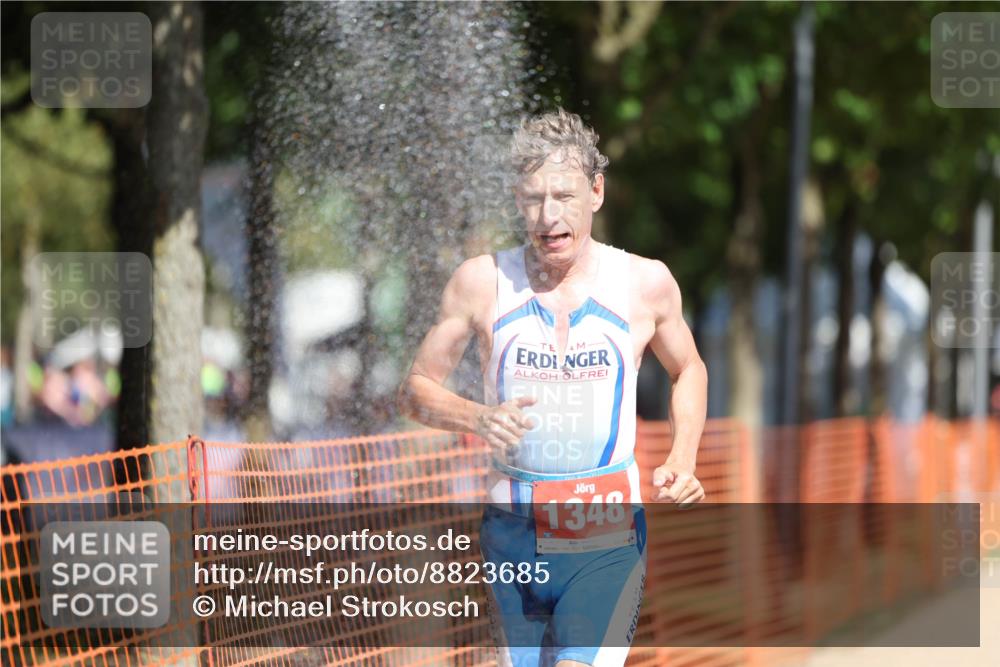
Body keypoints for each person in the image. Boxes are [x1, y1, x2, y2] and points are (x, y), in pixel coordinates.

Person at [398, 108, 708, 667]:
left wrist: (684, 460)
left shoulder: (644, 283)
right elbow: (416, 388)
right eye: (533, 198)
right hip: (511, 537)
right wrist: (477, 418)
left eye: (563, 196)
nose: (548, 216)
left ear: (596, 191)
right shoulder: (481, 282)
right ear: (517, 199)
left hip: (606, 539)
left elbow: (690, 369)